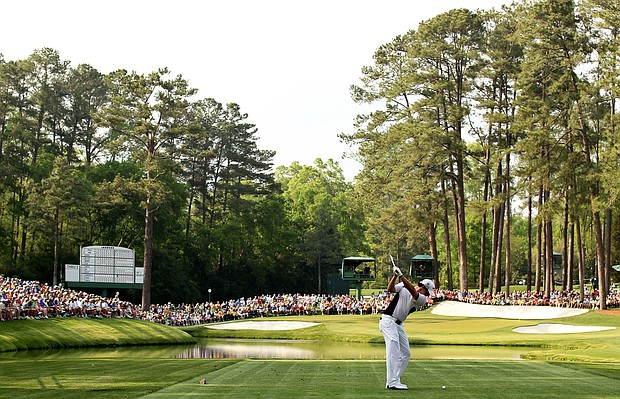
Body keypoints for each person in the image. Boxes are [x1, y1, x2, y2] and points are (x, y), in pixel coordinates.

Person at [379, 265, 435, 390]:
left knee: (406, 354)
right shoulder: (403, 286)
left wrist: (401, 275)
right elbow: (390, 289)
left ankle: (395, 378)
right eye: (428, 291)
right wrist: (395, 276)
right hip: (388, 320)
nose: (428, 295)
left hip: (399, 324)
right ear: (424, 288)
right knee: (393, 347)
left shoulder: (422, 299)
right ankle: (392, 382)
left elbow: (412, 291)